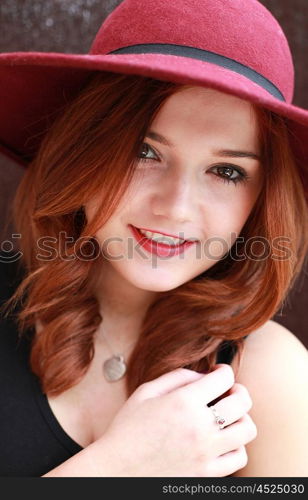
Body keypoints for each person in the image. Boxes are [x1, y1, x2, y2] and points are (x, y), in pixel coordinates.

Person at [0, 0, 307, 478]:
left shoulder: (272, 377)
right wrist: (120, 468)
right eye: (145, 152)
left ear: (262, 199)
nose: (176, 206)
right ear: (82, 149)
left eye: (226, 171)